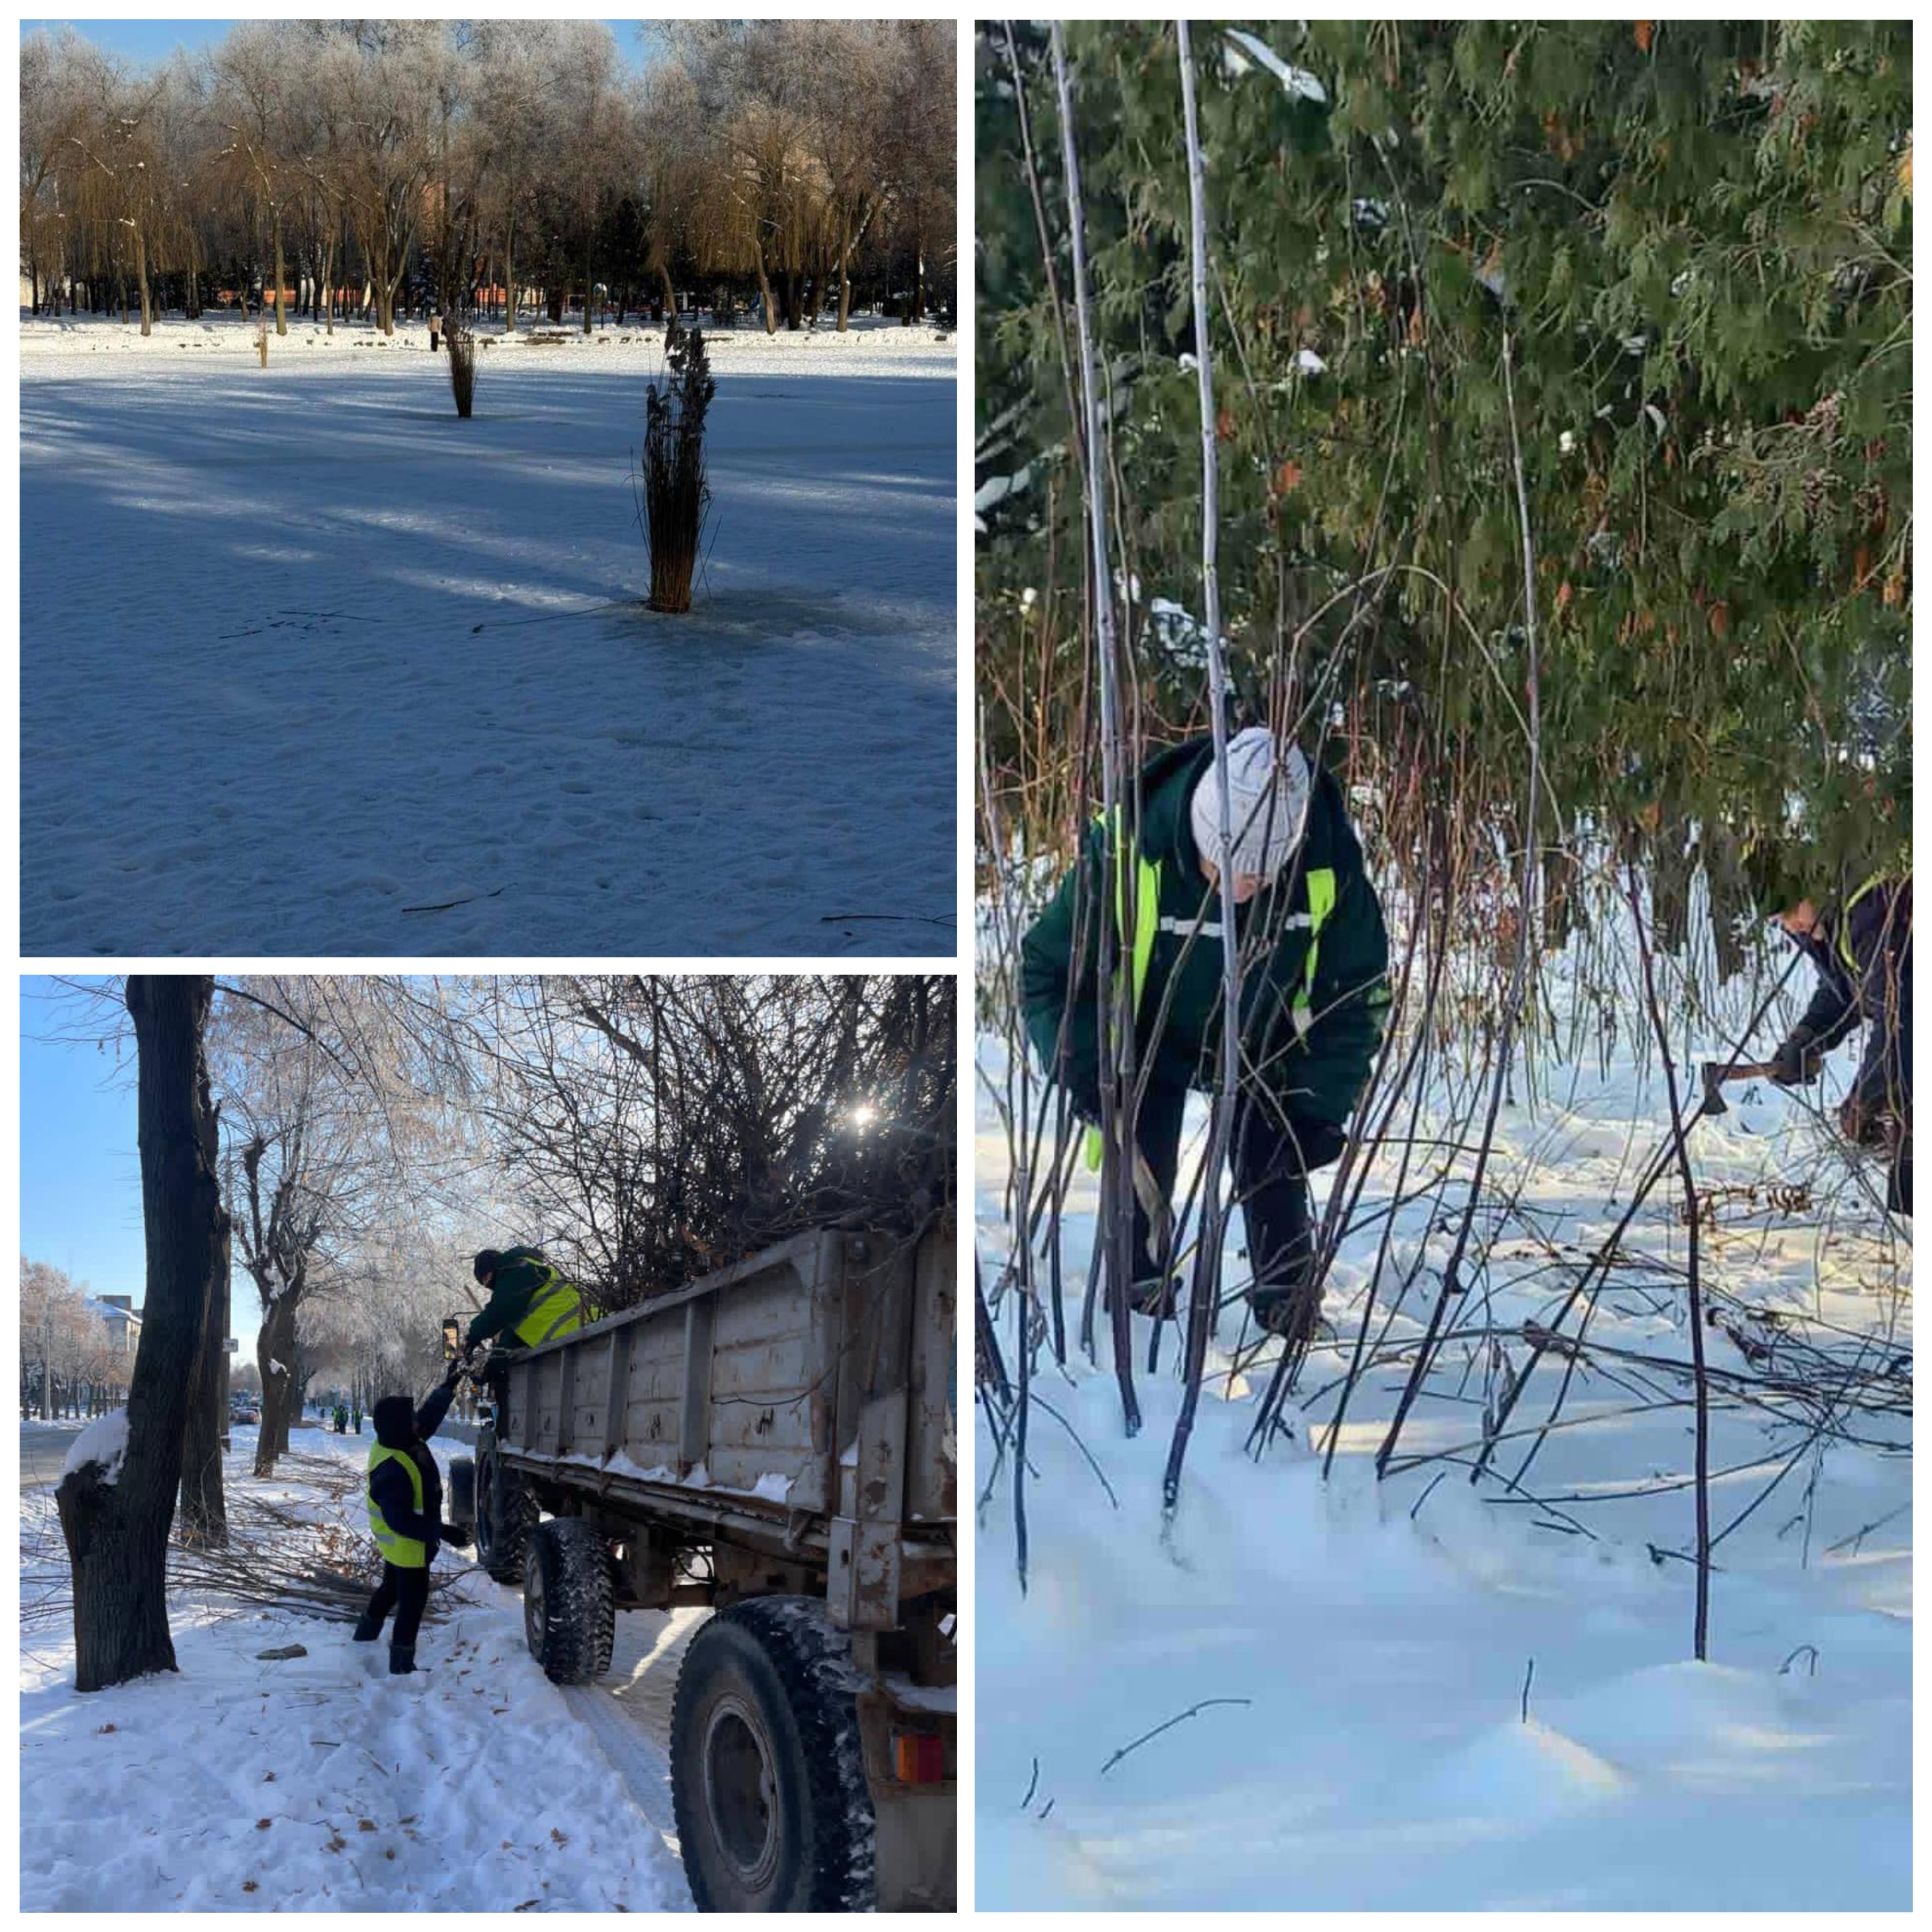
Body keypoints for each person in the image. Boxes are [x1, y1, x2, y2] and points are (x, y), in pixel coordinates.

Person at [1021, 726, 1391, 1341]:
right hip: (1147, 1040)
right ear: (1200, 829)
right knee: (1139, 1176)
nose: (1241, 889)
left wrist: (1321, 1106)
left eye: (1260, 877)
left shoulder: (1328, 860)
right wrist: (1082, 1065)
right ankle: (1139, 1314)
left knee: (1276, 1164)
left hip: (1264, 1043)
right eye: (1227, 867)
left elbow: (1355, 994)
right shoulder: (1128, 849)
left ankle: (1288, 1315)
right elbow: (1049, 969)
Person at [1757, 858, 1912, 1215]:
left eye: (1792, 911)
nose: (1790, 925)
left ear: (1815, 890)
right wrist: (1807, 1038)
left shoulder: (1871, 912)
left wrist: (1868, 1095)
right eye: (1780, 920)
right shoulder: (1832, 926)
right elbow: (1845, 991)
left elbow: (1901, 1011)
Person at [352, 1375, 470, 1675]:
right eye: (411, 1420)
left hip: (402, 1543)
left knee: (391, 1588)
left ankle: (365, 1636)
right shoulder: (393, 1468)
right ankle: (402, 1665)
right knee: (413, 1603)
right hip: (408, 1544)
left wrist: (447, 1388)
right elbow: (401, 1521)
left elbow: (427, 1419)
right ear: (401, 1427)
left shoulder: (399, 1440)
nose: (418, 1423)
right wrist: (445, 1532)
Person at [465, 1247, 600, 1353]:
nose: (487, 1285)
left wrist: (474, 1335)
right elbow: (516, 1326)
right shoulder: (525, 1269)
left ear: (491, 1270)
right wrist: (500, 1353)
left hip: (585, 1333)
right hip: (581, 1333)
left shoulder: (516, 1270)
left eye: (485, 1279)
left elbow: (501, 1311)